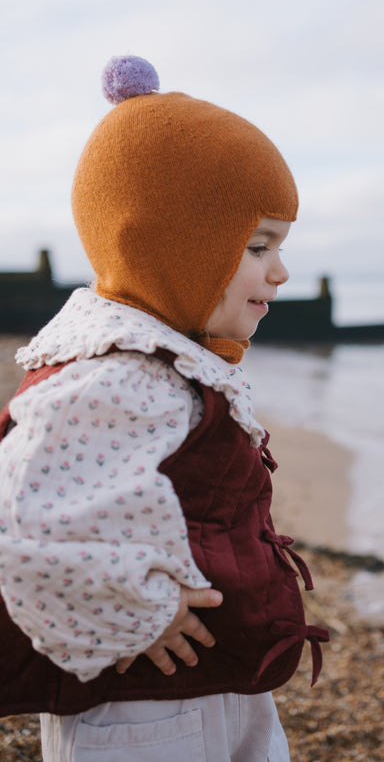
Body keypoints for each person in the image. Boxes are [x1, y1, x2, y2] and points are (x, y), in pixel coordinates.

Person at [0, 56, 328, 761]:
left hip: (199, 686)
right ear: (172, 247)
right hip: (143, 709)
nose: (280, 271)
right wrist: (138, 608)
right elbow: (23, 523)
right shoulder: (116, 376)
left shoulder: (157, 360)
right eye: (258, 246)